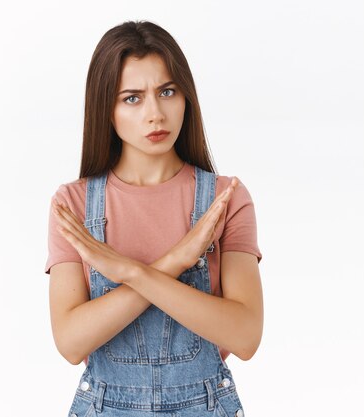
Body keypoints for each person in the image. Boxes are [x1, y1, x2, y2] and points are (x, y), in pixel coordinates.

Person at [45, 20, 263, 417]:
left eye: (167, 91)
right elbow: (71, 342)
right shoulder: (73, 205)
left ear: (186, 97)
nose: (155, 113)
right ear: (105, 108)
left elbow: (246, 336)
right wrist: (174, 261)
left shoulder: (224, 199)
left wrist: (135, 272)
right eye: (132, 98)